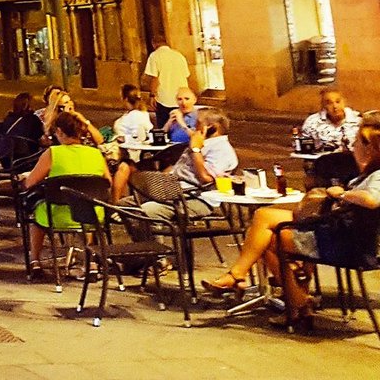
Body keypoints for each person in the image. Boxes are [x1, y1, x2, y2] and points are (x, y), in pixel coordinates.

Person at [204, 120, 380, 329]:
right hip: (337, 234)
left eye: (356, 142)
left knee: (268, 237)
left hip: (345, 245)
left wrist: (343, 194)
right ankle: (294, 302)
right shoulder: (366, 174)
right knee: (263, 223)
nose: (352, 146)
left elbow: (372, 200)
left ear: (369, 149)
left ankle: (291, 300)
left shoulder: (378, 175)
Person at [20, 111, 111, 271]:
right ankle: (89, 261)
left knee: (37, 214)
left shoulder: (53, 153)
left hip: (57, 216)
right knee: (86, 205)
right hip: (93, 217)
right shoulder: (96, 154)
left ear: (60, 131)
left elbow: (30, 183)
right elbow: (108, 182)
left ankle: (35, 260)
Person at [134, 109, 237, 226]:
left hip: (194, 199)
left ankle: (156, 237)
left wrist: (195, 150)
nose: (194, 127)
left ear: (211, 127)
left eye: (198, 124)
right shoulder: (203, 142)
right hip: (172, 191)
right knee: (125, 205)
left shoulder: (221, 149)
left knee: (141, 212)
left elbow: (206, 179)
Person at [0, 93, 45, 171]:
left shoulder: (8, 118)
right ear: (29, 106)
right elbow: (40, 138)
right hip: (27, 159)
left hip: (6, 160)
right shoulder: (33, 120)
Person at [142, 34, 191, 128]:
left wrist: (152, 95)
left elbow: (155, 78)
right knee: (180, 125)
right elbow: (186, 75)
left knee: (164, 126)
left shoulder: (154, 56)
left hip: (164, 98)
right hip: (180, 97)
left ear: (154, 44)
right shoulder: (179, 55)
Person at [299, 87, 362, 152]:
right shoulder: (312, 122)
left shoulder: (359, 120)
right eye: (329, 103)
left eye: (338, 102)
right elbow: (304, 148)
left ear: (344, 102)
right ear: (323, 106)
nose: (335, 106)